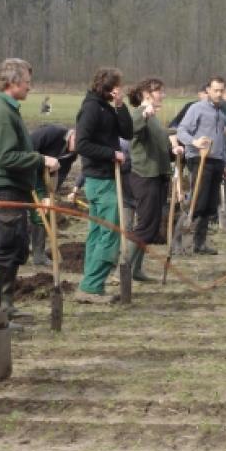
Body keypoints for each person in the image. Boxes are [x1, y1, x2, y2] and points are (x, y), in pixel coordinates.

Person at [0, 59, 60, 319]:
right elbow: (5, 157)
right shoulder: (1, 112)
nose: (30, 87)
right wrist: (39, 159)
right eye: (27, 82)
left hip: (15, 188)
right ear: (12, 82)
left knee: (16, 246)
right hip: (3, 189)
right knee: (2, 249)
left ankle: (7, 304)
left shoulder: (9, 109)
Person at [74, 67, 133, 302]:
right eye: (118, 87)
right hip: (99, 179)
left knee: (99, 232)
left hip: (106, 177)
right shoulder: (90, 108)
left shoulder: (106, 107)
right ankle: (91, 286)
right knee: (109, 232)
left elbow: (127, 132)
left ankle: (91, 283)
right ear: (110, 87)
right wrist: (112, 154)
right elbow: (82, 144)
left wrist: (120, 106)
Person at [127, 78, 184, 281]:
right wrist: (144, 115)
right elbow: (132, 131)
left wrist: (172, 151)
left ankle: (136, 270)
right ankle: (124, 269)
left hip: (158, 175)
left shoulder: (154, 118)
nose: (163, 95)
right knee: (144, 226)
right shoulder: (137, 114)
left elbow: (157, 146)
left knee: (150, 227)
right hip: (144, 176)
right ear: (146, 93)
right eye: (159, 91)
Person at [176, 76, 226, 254]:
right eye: (215, 90)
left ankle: (200, 244)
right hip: (199, 159)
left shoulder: (222, 113)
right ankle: (179, 242)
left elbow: (221, 141)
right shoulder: (196, 109)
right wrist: (195, 142)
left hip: (216, 160)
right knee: (197, 202)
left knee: (210, 204)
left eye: (221, 90)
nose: (219, 94)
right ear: (208, 90)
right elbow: (181, 130)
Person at [28, 125, 77, 265]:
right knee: (20, 211)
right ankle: (21, 249)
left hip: (43, 180)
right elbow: (27, 149)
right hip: (27, 172)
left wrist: (51, 193)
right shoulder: (51, 133)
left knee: (42, 211)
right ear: (73, 134)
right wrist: (44, 160)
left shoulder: (72, 154)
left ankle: (38, 254)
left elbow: (61, 173)